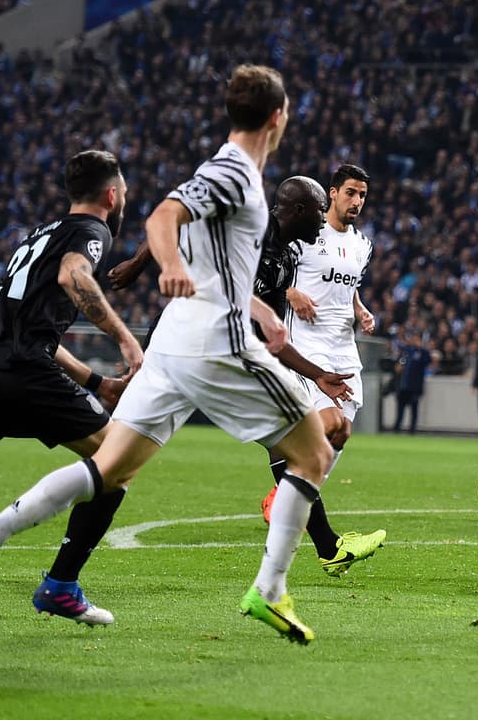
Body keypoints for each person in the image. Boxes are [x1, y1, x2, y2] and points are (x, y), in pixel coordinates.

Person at [0, 65, 333, 644]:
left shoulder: (233, 172)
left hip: (175, 342)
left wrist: (259, 309)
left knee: (109, 469)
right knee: (316, 452)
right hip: (214, 345)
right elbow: (162, 216)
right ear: (279, 117)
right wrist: (172, 267)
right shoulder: (234, 170)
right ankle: (271, 591)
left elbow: (208, 258)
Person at [107, 170, 386, 578]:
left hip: (221, 357)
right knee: (111, 461)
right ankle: (301, 560)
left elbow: (271, 331)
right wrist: (136, 264)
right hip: (194, 353)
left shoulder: (290, 257)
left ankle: (316, 552)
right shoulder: (246, 225)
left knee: (110, 464)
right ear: (301, 209)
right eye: (321, 210)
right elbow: (173, 219)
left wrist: (317, 370)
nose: (325, 220)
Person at [0, 150, 143, 626]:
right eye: (125, 190)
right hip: (22, 373)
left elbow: (34, 329)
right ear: (112, 194)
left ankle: (48, 578)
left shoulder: (38, 235)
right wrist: (127, 341)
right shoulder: (92, 233)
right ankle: (60, 585)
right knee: (118, 462)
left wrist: (95, 381)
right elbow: (75, 277)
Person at [275, 163, 387, 574]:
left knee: (342, 430)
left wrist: (361, 310)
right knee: (325, 423)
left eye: (363, 195)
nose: (357, 201)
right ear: (332, 192)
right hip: (307, 348)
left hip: (344, 349)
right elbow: (270, 279)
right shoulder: (305, 235)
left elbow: (348, 284)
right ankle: (287, 488)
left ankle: (295, 491)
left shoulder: (363, 245)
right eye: (351, 193)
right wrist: (292, 293)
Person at [391, 329, 432, 432]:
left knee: (414, 409)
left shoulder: (422, 352)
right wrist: (398, 367)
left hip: (415, 386)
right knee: (400, 409)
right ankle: (397, 427)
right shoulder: (406, 351)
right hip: (403, 385)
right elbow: (398, 365)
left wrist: (421, 348)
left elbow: (427, 361)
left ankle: (412, 429)